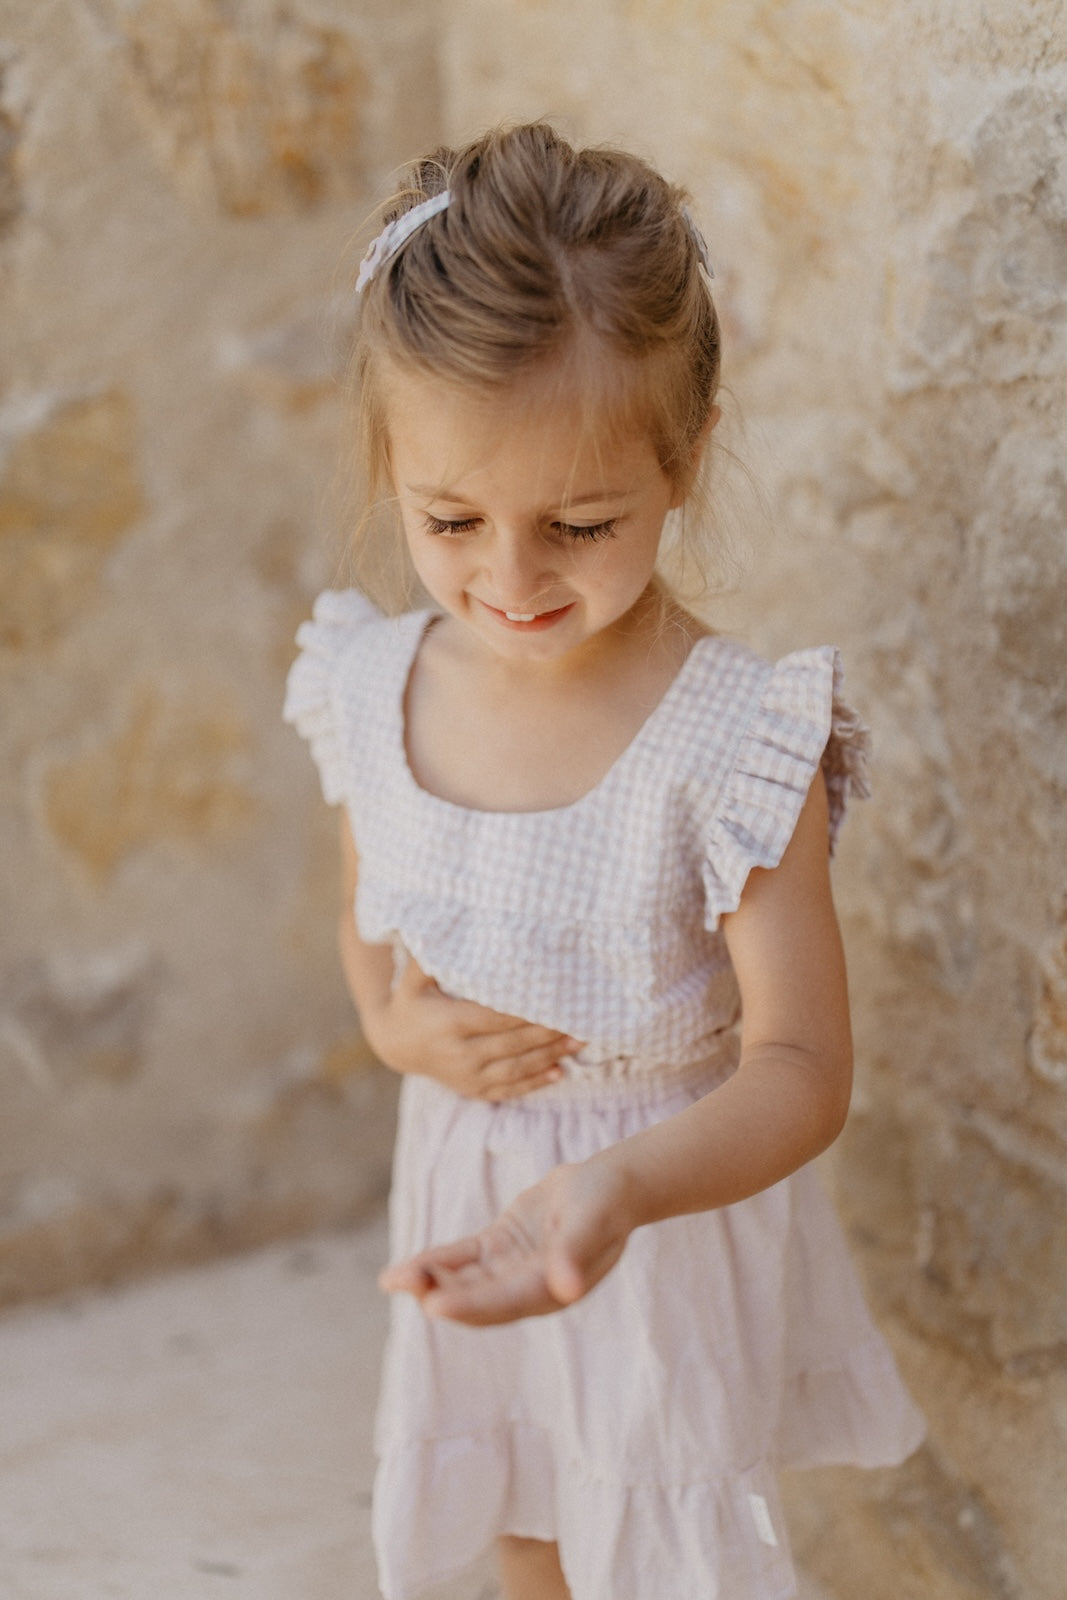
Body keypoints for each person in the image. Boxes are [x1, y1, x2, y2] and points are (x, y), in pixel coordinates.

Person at [284, 122, 924, 1600]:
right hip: (464, 1189)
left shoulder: (735, 739)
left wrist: (616, 1194)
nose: (510, 581)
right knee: (517, 1507)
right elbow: (365, 922)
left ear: (686, 456)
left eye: (578, 524)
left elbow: (803, 1070)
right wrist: (390, 1021)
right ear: (393, 465)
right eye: (451, 520)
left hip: (655, 1218)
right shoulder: (373, 684)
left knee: (660, 1538)